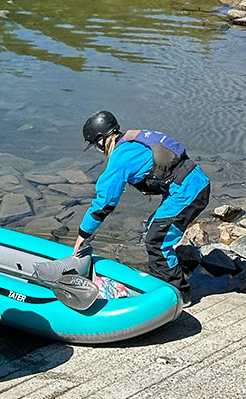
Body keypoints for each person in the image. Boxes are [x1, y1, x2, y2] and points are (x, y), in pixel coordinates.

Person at [73, 111, 210, 305]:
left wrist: (83, 234)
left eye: (95, 144)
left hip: (188, 192)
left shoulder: (120, 159)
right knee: (153, 229)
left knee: (157, 241)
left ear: (102, 140)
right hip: (192, 182)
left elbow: (104, 203)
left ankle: (179, 296)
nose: (97, 149)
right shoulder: (134, 139)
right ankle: (162, 278)